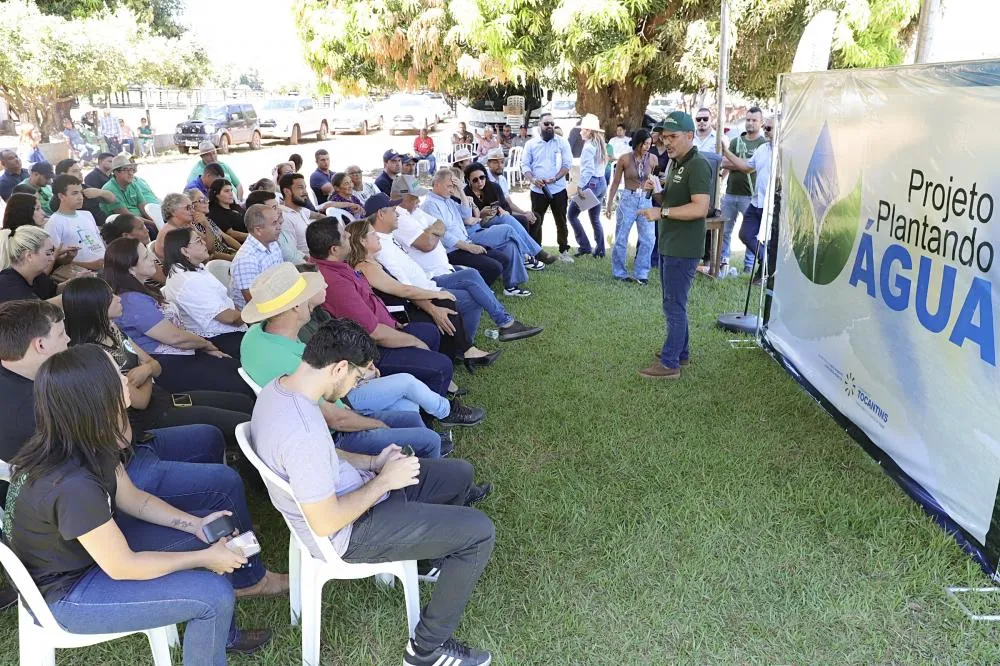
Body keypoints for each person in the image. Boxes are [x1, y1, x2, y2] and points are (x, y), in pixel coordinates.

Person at [0, 300, 286, 602]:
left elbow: (133, 406)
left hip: (116, 459)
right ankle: (249, 577)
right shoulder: (28, 409)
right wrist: (132, 388)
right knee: (223, 482)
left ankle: (227, 530)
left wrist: (141, 377)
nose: (69, 339)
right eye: (61, 333)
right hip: (99, 491)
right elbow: (127, 424)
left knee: (209, 436)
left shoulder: (57, 379)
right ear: (40, 344)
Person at [3, 343, 273, 661]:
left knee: (209, 532)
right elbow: (122, 566)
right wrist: (204, 559)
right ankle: (215, 620)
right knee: (213, 595)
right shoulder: (72, 484)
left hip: (90, 559)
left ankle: (220, 633)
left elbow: (134, 499)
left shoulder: (83, 438)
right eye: (117, 373)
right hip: (67, 594)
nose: (125, 376)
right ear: (99, 396)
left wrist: (197, 525)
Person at [250, 317, 495, 666]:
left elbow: (323, 457)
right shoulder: (302, 431)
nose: (353, 386)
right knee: (479, 532)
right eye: (356, 376)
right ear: (338, 368)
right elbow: (324, 522)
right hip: (349, 532)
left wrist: (372, 463)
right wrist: (384, 481)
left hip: (354, 494)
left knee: (458, 474)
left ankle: (427, 559)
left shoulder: (280, 390)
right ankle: (427, 649)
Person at [241, 263, 473, 457]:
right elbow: (336, 418)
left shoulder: (255, 336)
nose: (310, 302)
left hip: (332, 412)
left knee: (408, 410)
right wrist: (380, 426)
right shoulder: (287, 361)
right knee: (416, 420)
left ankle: (418, 457)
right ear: (295, 306)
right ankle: (427, 465)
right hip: (334, 435)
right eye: (305, 297)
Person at [61, 279, 255, 451]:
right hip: (150, 419)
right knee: (240, 422)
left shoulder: (112, 329)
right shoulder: (94, 355)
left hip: (164, 399)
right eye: (110, 297)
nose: (118, 298)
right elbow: (139, 402)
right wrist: (148, 373)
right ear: (94, 307)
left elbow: (154, 365)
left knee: (242, 402)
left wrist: (145, 371)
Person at [306, 217, 457, 397]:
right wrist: (414, 342)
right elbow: (374, 333)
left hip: (386, 330)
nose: (348, 234)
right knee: (442, 365)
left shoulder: (339, 266)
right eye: (344, 235)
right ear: (334, 249)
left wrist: (397, 325)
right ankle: (433, 412)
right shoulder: (335, 282)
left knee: (429, 332)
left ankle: (425, 391)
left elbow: (371, 302)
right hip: (373, 352)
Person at [389, 176, 544, 343]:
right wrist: (434, 233)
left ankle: (479, 338)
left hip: (445, 266)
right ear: (401, 196)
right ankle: (501, 325)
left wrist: (431, 231)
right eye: (414, 197)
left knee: (496, 253)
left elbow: (442, 225)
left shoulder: (415, 211)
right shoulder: (400, 217)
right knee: (474, 275)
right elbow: (427, 244)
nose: (418, 201)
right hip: (433, 274)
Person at [102, 238, 253, 394]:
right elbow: (175, 337)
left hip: (186, 352)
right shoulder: (132, 301)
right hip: (170, 364)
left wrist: (203, 347)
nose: (153, 259)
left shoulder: (141, 289)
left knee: (238, 369)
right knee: (242, 385)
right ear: (131, 269)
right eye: (146, 257)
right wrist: (206, 345)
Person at [346, 213, 481, 367]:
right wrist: (436, 293)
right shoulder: (366, 267)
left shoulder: (372, 261)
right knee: (443, 304)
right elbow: (402, 290)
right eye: (373, 234)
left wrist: (435, 297)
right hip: (397, 317)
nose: (377, 236)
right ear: (362, 241)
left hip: (404, 307)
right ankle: (454, 356)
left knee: (445, 303)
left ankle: (458, 353)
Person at [640, 111, 712, 379]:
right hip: (671, 243)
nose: (666, 142)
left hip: (683, 247)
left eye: (673, 136)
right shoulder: (677, 163)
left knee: (673, 305)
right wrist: (657, 191)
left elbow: (700, 207)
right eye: (664, 136)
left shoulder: (698, 165)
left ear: (690, 136)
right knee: (674, 303)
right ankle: (680, 352)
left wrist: (662, 213)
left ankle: (670, 364)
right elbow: (669, 201)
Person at [422, 171, 528, 296]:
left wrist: (461, 192)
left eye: (453, 186)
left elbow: (466, 215)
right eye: (449, 186)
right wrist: (469, 247)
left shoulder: (447, 200)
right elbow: (443, 236)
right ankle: (479, 291)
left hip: (466, 242)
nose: (452, 190)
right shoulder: (430, 204)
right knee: (494, 267)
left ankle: (485, 287)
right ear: (437, 184)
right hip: (453, 250)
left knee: (503, 258)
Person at [162, 227, 246, 356]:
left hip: (228, 329)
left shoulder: (192, 267)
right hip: (221, 338)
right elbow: (228, 318)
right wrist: (253, 316)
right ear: (184, 251)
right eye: (198, 241)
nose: (205, 243)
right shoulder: (189, 281)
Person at [463, 162, 554, 270]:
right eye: (475, 180)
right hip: (480, 227)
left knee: (517, 218)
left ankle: (529, 254)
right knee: (510, 220)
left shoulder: (493, 187)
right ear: (468, 180)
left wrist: (503, 211)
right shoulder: (465, 194)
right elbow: (467, 220)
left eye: (482, 177)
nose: (480, 181)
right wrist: (481, 214)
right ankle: (534, 253)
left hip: (499, 219)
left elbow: (506, 207)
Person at [721, 115, 775, 279]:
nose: (765, 131)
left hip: (772, 204)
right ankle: (767, 262)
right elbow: (746, 167)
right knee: (745, 234)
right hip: (756, 201)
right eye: (765, 127)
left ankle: (763, 270)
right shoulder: (762, 149)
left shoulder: (785, 152)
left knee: (769, 240)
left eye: (769, 128)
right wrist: (726, 152)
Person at [606, 128, 658, 284]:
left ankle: (642, 273)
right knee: (621, 237)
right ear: (637, 143)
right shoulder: (624, 159)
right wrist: (609, 204)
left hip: (645, 200)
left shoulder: (653, 159)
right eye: (644, 144)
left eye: (649, 144)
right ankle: (619, 272)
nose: (647, 147)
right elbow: (615, 182)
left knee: (649, 238)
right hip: (628, 198)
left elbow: (655, 181)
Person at [521, 112, 574, 262]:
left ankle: (564, 250)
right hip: (538, 190)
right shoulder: (531, 144)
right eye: (546, 124)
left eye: (552, 124)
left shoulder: (562, 142)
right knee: (536, 221)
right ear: (540, 126)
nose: (550, 126)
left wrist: (555, 178)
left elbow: (566, 165)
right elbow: (524, 165)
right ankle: (536, 252)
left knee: (561, 220)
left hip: (558, 189)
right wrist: (533, 180)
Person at [567, 114, 609, 258]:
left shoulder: (589, 146)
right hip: (601, 182)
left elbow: (588, 170)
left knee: (572, 215)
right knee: (595, 218)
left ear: (589, 131)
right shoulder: (600, 144)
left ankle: (585, 246)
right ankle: (601, 249)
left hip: (591, 183)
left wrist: (580, 186)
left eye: (583, 129)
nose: (580, 132)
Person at [46, 174, 106, 271]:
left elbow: (99, 241)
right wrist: (89, 265)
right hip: (83, 273)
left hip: (106, 266)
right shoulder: (54, 222)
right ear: (61, 196)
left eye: (81, 193)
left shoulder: (87, 214)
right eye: (75, 193)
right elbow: (53, 258)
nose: (80, 197)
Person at [229, 203, 284, 309]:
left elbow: (281, 277)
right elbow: (254, 302)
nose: (279, 226)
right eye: (274, 223)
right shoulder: (246, 259)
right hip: (259, 313)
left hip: (276, 299)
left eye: (278, 221)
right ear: (258, 230)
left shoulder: (272, 242)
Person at [0, 226, 59, 304]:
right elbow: (38, 310)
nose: (52, 258)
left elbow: (55, 290)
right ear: (29, 256)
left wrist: (75, 281)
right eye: (48, 253)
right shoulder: (8, 286)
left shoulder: (37, 276)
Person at [245, 190, 303, 264]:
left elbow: (295, 252)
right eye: (274, 208)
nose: (280, 210)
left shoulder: (275, 235)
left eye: (278, 206)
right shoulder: (248, 259)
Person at [483, 148, 536, 226]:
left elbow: (509, 202)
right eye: (495, 162)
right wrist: (523, 215)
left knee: (535, 217)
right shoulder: (484, 180)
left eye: (502, 162)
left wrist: (524, 212)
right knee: (524, 220)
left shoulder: (502, 179)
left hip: (506, 211)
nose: (500, 165)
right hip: (496, 215)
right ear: (488, 164)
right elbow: (496, 209)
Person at [186, 187, 242, 258]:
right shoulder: (193, 226)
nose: (207, 202)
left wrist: (243, 250)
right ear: (192, 206)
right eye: (201, 200)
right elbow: (211, 252)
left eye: (206, 199)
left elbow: (225, 236)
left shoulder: (207, 219)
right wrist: (237, 259)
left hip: (229, 252)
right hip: (221, 261)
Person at [153, 192, 209, 260]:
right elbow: (206, 251)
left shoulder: (186, 225)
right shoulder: (172, 233)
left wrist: (206, 225)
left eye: (192, 207)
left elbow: (208, 246)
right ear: (173, 212)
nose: (193, 211)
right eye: (188, 208)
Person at [100, 154, 155, 223]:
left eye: (131, 169)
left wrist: (156, 221)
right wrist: (153, 223)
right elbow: (127, 217)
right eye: (125, 170)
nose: (130, 173)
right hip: (123, 225)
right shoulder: (110, 189)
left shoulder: (133, 184)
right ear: (116, 172)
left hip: (140, 221)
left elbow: (143, 207)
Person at [278, 172, 313, 253]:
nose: (305, 192)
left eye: (305, 188)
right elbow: (292, 253)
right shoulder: (285, 218)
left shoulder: (301, 210)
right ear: (287, 191)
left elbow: (317, 215)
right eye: (300, 188)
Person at [83, 152, 115, 225]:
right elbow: (93, 198)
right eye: (110, 161)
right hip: (103, 211)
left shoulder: (111, 176)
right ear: (100, 161)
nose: (112, 164)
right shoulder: (92, 176)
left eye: (113, 162)